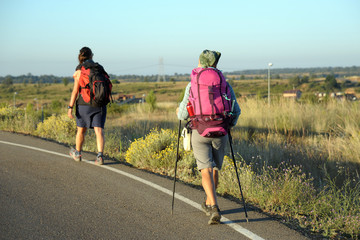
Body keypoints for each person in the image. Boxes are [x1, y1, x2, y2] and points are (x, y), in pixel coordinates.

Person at [177, 50, 241, 224]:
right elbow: (236, 111)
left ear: (200, 62)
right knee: (214, 169)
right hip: (221, 131)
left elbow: (182, 114)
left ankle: (213, 206)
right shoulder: (224, 84)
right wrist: (229, 125)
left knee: (205, 169)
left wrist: (180, 113)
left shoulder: (192, 84)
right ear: (215, 65)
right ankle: (209, 202)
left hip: (200, 131)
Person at [67, 47, 108, 165]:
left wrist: (70, 107)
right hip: (99, 103)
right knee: (99, 131)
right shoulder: (99, 68)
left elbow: (75, 91)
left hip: (83, 105)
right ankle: (100, 157)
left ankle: (78, 153)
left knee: (81, 131)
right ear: (91, 56)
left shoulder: (79, 70)